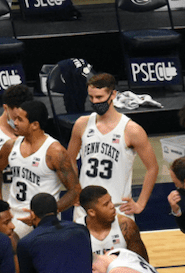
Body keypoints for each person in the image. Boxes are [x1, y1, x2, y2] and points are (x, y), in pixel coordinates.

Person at [66, 72, 160, 221]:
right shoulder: (81, 124)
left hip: (117, 208)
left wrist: (140, 203)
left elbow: (153, 167)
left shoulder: (132, 130)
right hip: (85, 208)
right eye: (91, 98)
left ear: (113, 95)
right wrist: (74, 188)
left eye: (99, 97)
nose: (95, 102)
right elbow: (69, 161)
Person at [0, 100, 80, 239]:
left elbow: (75, 190)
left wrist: (47, 214)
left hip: (43, 222)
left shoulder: (55, 152)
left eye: (20, 119)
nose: (15, 122)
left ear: (35, 125)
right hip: (14, 216)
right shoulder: (11, 145)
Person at [79, 185, 148, 258]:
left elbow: (141, 263)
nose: (112, 206)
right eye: (106, 204)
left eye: (110, 201)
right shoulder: (77, 231)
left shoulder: (127, 225)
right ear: (92, 212)